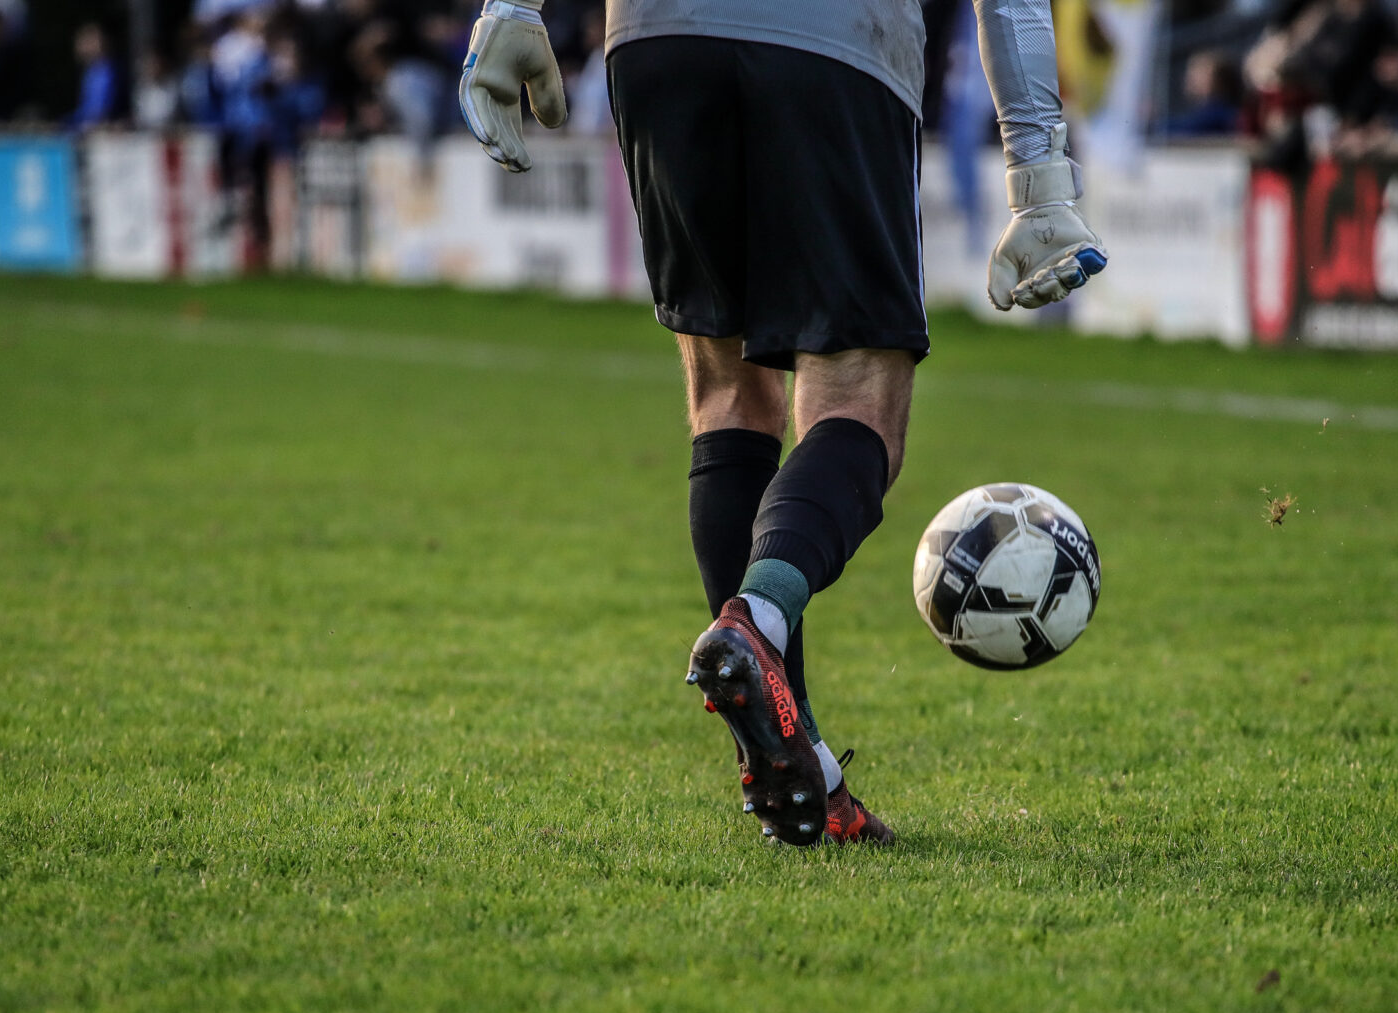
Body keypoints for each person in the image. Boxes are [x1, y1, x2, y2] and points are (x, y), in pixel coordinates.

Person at [458, 0, 1108, 847]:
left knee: (728, 393)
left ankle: (807, 777)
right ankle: (757, 619)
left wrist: (510, 8)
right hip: (834, 43)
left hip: (657, 41)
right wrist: (1040, 174)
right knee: (858, 399)